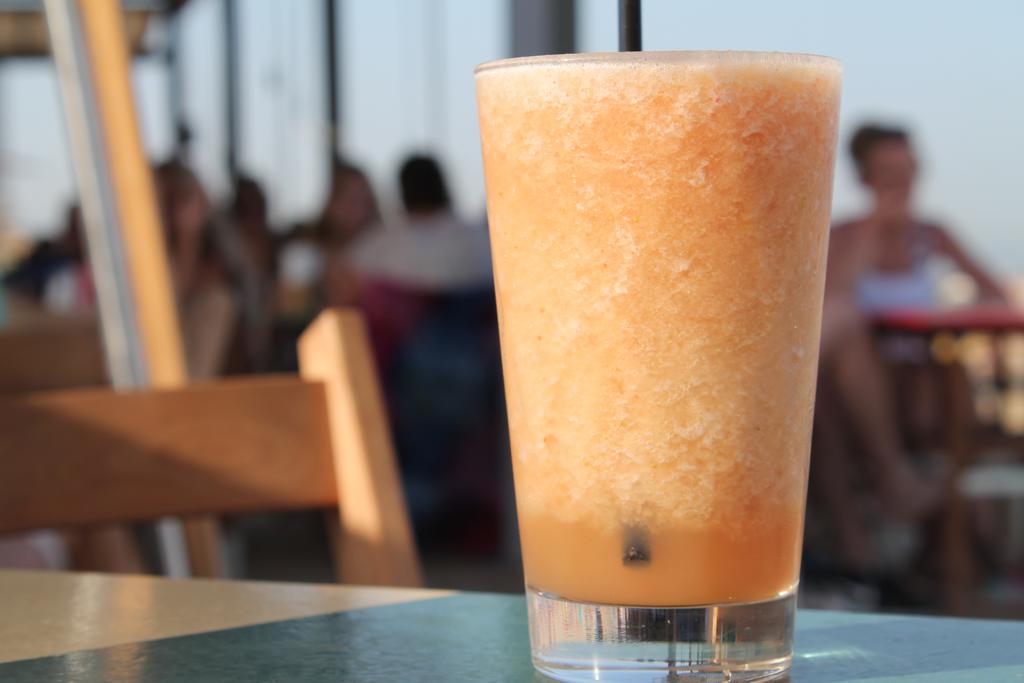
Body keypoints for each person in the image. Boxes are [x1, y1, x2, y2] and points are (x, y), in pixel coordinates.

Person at [812, 124, 1008, 572]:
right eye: (888, 173)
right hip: (856, 384)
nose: (901, 182)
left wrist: (952, 316)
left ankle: (861, 544)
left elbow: (995, 294)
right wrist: (875, 232)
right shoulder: (846, 236)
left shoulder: (932, 235)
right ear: (866, 178)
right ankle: (869, 525)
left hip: (918, 382)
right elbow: (832, 299)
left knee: (826, 396)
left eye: (907, 170)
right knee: (828, 392)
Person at [154, 160, 238, 379]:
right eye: (166, 200)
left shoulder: (217, 292)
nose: (175, 210)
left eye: (183, 198)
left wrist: (187, 236)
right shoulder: (141, 264)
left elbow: (193, 376)